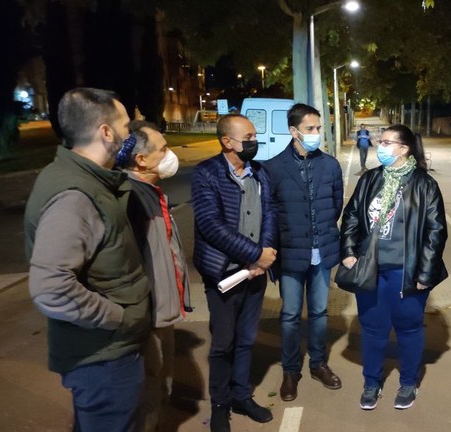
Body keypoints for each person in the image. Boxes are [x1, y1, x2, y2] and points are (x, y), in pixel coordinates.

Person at [24, 87, 151, 431]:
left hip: (107, 352)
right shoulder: (76, 195)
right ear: (106, 132)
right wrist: (117, 318)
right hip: (103, 359)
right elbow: (51, 288)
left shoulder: (87, 180)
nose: (130, 134)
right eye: (126, 126)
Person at [340, 124, 448, 411]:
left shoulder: (424, 185)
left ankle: (408, 382)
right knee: (372, 329)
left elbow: (436, 233)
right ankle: (371, 383)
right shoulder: (370, 179)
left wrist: (425, 273)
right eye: (381, 141)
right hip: (370, 269)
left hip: (406, 272)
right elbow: (351, 216)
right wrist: (348, 251)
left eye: (387, 142)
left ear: (404, 148)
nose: (381, 146)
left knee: (408, 329)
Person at [191, 113, 278, 432]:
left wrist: (265, 254)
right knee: (223, 344)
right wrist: (255, 255)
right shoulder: (206, 173)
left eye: (254, 136)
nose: (255, 142)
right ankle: (220, 403)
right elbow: (210, 225)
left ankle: (241, 396)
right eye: (249, 137)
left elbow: (270, 213)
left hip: (255, 275)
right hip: (224, 275)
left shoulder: (260, 172)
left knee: (246, 340)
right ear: (227, 141)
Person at [264, 103, 344, 402]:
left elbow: (335, 206)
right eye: (310, 128)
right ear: (293, 131)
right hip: (290, 254)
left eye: (318, 128)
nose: (316, 133)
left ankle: (318, 363)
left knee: (320, 312)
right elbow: (271, 214)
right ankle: (290, 370)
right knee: (290, 314)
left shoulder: (330, 165)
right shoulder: (273, 168)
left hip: (322, 252)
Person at [116, 120, 192, 431]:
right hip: (147, 312)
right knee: (149, 383)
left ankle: (160, 416)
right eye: (163, 149)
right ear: (141, 160)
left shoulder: (149, 191)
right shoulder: (129, 197)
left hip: (162, 308)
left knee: (160, 378)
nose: (170, 154)